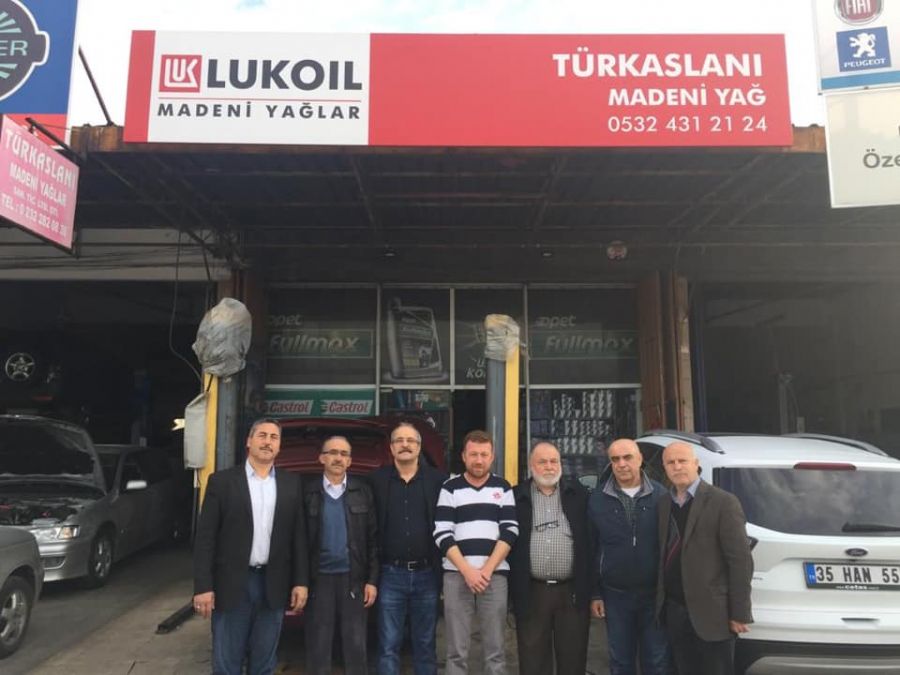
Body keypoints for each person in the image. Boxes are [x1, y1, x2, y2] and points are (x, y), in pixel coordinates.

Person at [193, 418, 308, 675]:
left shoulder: (291, 484)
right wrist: (203, 587)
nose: (268, 442)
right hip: (232, 584)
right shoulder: (222, 482)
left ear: (279, 445)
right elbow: (205, 539)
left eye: (274, 437)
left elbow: (298, 537)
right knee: (226, 664)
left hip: (273, 584)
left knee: (264, 664)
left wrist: (301, 581)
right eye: (262, 436)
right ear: (249, 441)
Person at [657, 441, 753, 675]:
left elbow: (740, 561)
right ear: (665, 468)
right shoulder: (663, 504)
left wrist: (739, 613)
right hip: (675, 611)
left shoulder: (723, 502)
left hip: (713, 615)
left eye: (682, 461)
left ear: (696, 464)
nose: (677, 467)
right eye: (671, 462)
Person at [433, 429, 518, 675]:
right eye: (473, 454)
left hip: (494, 577)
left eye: (484, 454)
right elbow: (442, 533)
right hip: (456, 575)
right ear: (463, 456)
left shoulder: (503, 488)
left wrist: (486, 570)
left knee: (496, 651)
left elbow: (510, 531)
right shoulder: (450, 488)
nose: (478, 460)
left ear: (492, 457)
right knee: (456, 652)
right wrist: (468, 571)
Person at [368, 420, 448, 675]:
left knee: (425, 644)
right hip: (390, 574)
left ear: (419, 447)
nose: (405, 445)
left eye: (411, 440)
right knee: (388, 645)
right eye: (399, 441)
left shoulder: (438, 481)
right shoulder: (376, 480)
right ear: (391, 448)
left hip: (427, 574)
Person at [508, 441, 592, 675]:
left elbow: (590, 542)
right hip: (532, 591)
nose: (549, 467)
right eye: (542, 462)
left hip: (571, 592)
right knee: (533, 661)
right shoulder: (516, 496)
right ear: (531, 465)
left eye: (554, 461)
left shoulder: (579, 495)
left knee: (573, 659)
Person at [588, 438, 669, 675]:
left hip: (654, 596)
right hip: (615, 596)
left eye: (627, 457)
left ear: (640, 459)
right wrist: (595, 593)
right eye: (615, 459)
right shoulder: (597, 500)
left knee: (656, 661)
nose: (621, 464)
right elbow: (591, 548)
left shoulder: (661, 496)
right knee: (620, 661)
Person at [304, 435, 379, 675]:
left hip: (353, 580)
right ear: (321, 458)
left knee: (356, 646)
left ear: (350, 461)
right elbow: (299, 542)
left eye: (344, 454)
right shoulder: (307, 492)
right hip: (318, 580)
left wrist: (372, 580)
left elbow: (373, 540)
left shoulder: (363, 492)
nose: (338, 458)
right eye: (333, 452)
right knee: (318, 647)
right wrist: (300, 582)